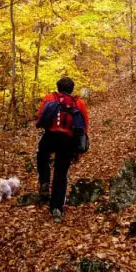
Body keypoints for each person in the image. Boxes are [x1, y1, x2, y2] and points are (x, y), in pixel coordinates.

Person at [35, 77, 89, 222]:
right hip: (68, 141)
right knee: (61, 173)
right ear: (72, 89)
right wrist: (77, 149)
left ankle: (44, 181)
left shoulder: (49, 98)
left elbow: (40, 117)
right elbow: (84, 126)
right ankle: (57, 208)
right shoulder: (78, 103)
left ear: (58, 87)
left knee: (41, 156)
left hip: (50, 136)